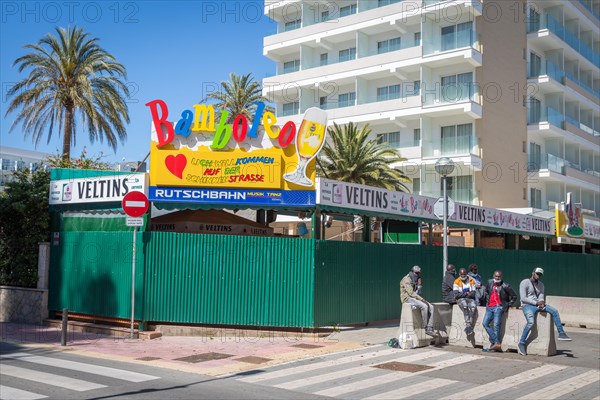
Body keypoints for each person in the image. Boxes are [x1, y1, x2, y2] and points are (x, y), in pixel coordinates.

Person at [518, 267, 572, 356]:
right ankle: (521, 343)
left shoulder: (541, 285)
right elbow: (523, 298)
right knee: (530, 322)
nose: (538, 276)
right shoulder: (525, 282)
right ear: (533, 273)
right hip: (527, 305)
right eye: (537, 273)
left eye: (540, 274)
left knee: (554, 311)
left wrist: (542, 302)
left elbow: (541, 295)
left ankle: (561, 333)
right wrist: (536, 302)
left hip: (538, 304)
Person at [481, 270, 517, 352]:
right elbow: (486, 292)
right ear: (493, 276)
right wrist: (487, 302)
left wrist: (508, 304)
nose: (497, 278)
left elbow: (514, 296)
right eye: (496, 276)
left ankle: (494, 345)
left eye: (499, 277)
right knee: (485, 323)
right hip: (490, 307)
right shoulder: (490, 282)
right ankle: (496, 342)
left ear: (501, 277)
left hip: (499, 307)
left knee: (496, 326)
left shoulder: (506, 285)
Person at [400, 265, 435, 337]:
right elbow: (411, 293)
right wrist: (422, 299)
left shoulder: (416, 279)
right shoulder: (407, 279)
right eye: (416, 273)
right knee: (424, 306)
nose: (417, 275)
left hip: (414, 298)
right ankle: (426, 328)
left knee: (431, 306)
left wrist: (419, 286)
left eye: (418, 273)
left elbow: (417, 293)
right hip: (407, 298)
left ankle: (430, 327)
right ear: (412, 272)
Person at [453, 268, 477, 335]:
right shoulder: (456, 281)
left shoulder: (471, 280)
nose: (463, 276)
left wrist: (467, 294)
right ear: (459, 274)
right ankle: (468, 325)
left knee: (473, 307)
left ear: (466, 274)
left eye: (464, 274)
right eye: (461, 274)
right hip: (461, 299)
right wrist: (466, 294)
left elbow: (474, 292)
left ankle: (469, 326)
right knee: (465, 306)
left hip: (470, 299)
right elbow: (456, 294)